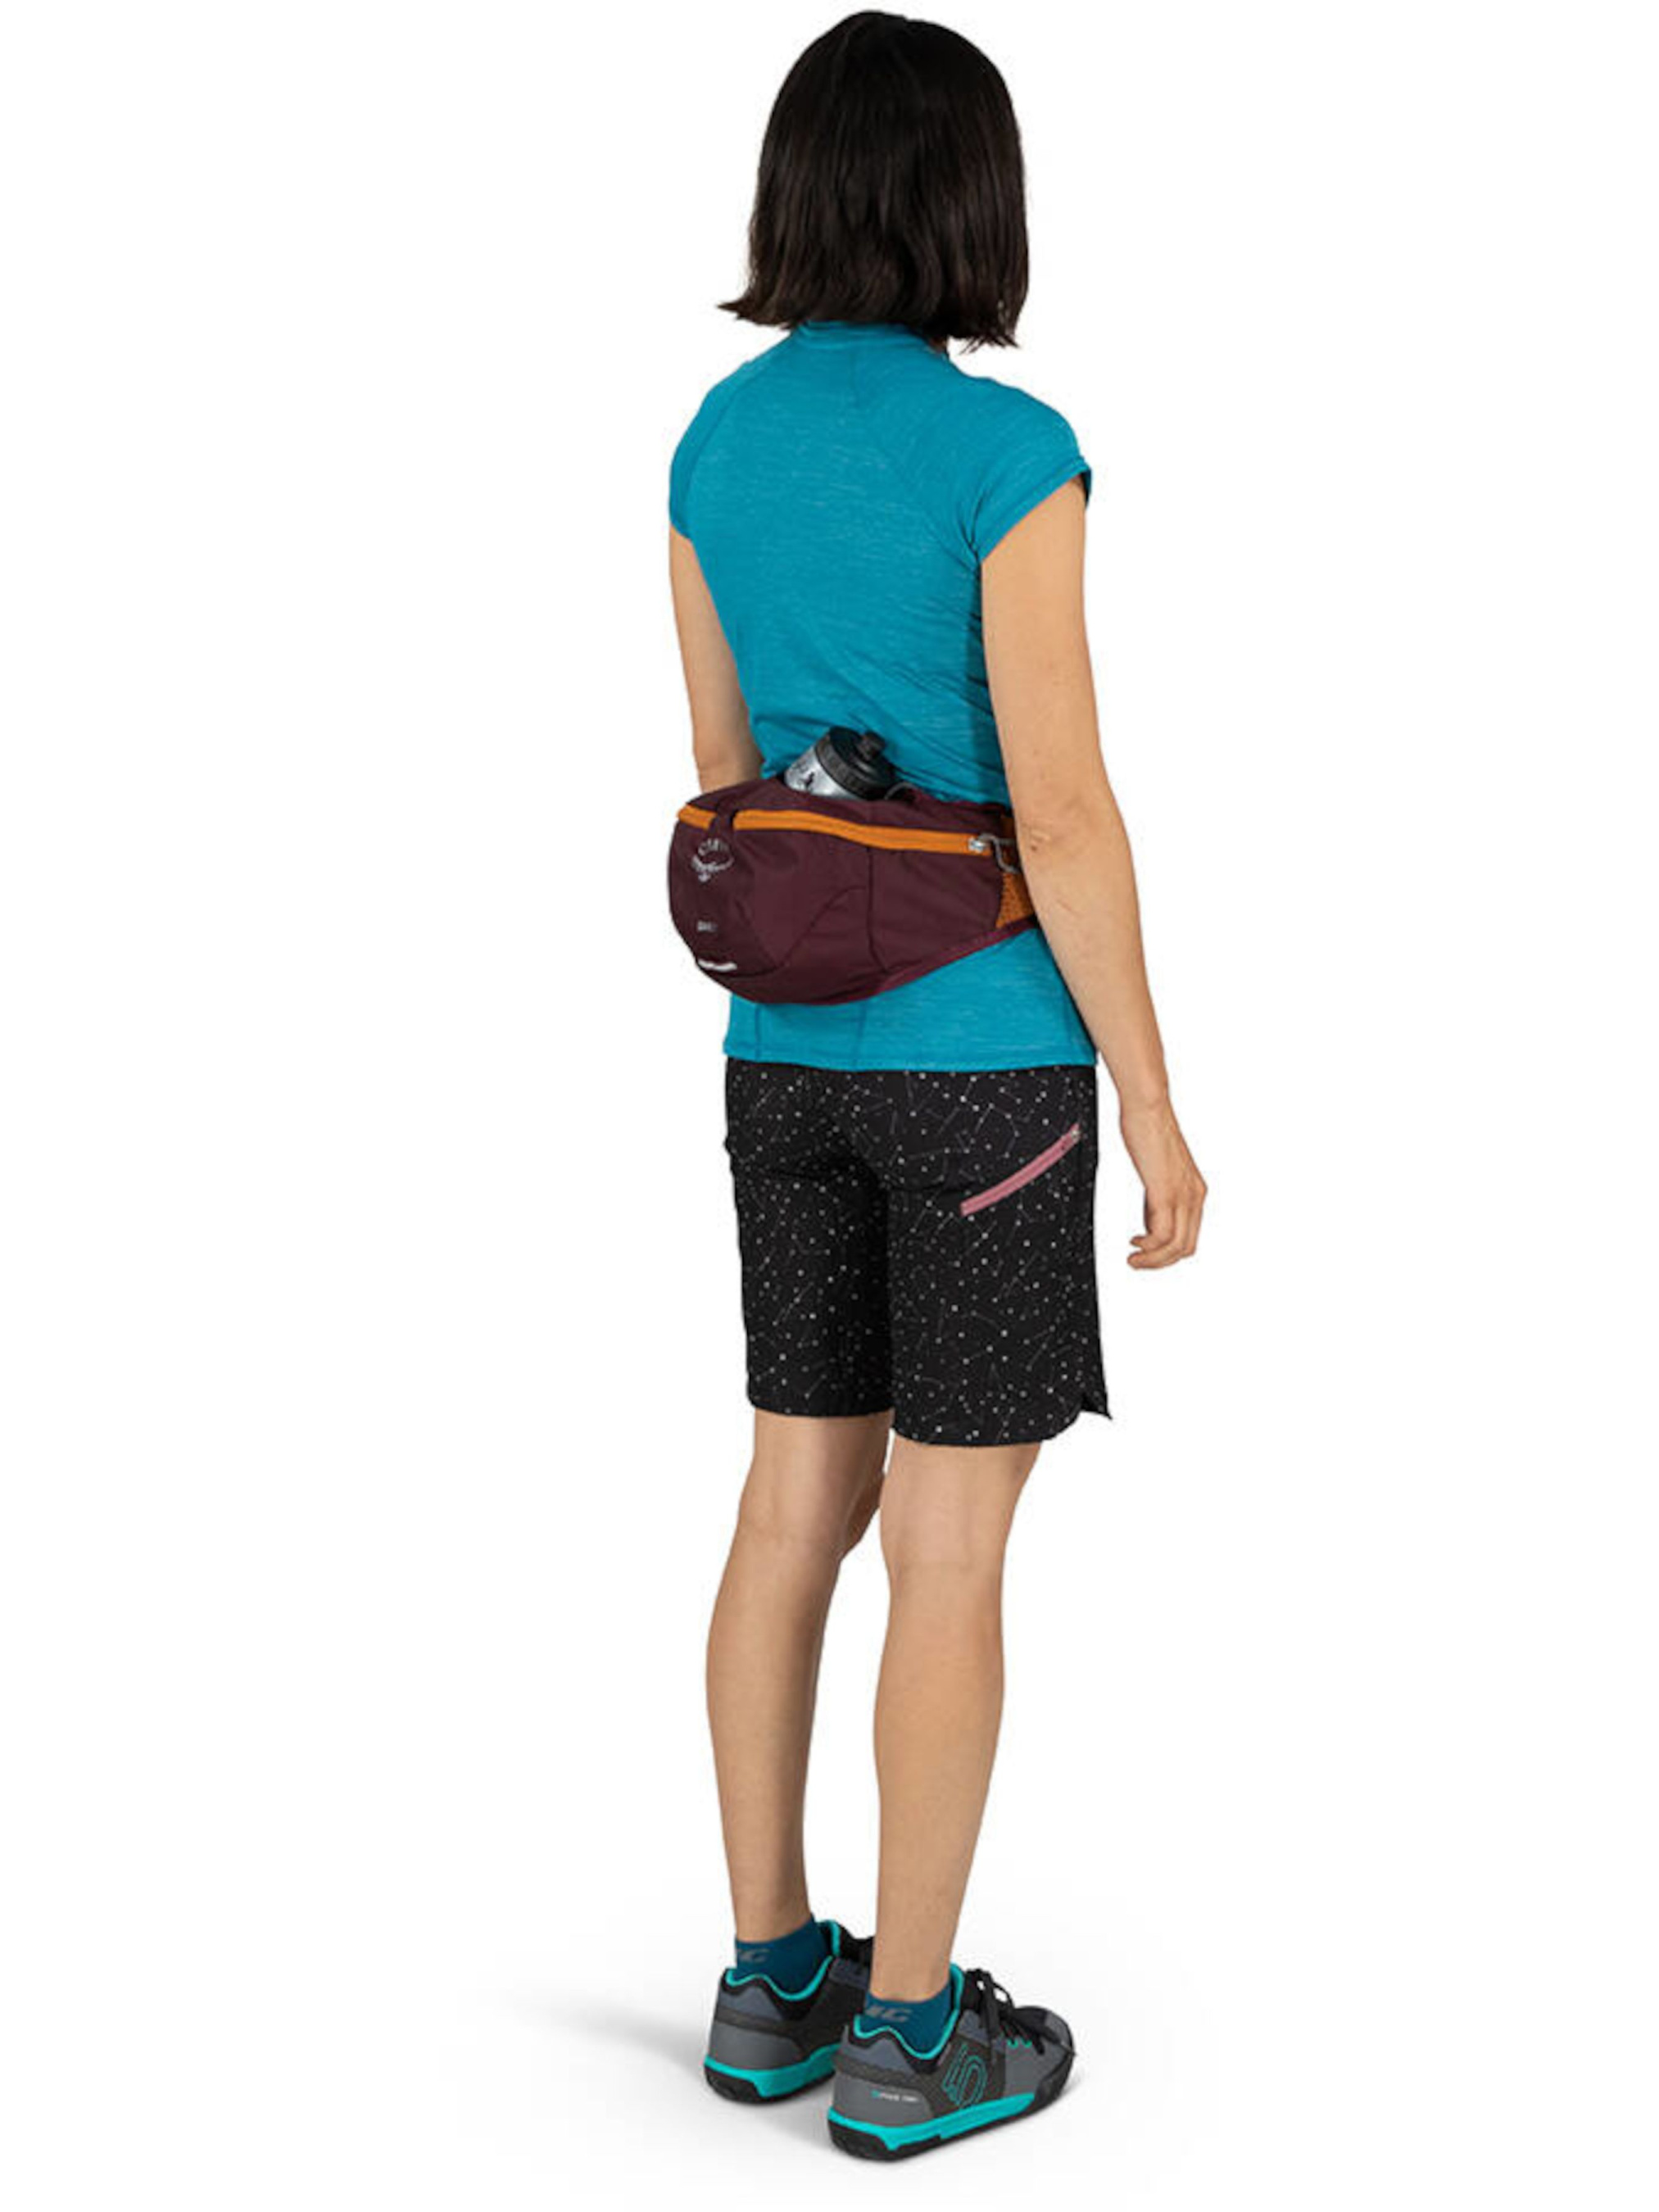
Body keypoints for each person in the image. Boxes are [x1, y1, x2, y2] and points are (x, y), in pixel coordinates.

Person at [667, 13, 1206, 2160]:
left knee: (789, 1502)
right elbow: (1057, 810)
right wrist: (1150, 1100)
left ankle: (769, 1979)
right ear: (972, 203)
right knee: (951, 1553)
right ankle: (910, 2037)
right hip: (985, 1073)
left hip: (779, 1061)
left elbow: (728, 776)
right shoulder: (1012, 450)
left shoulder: (712, 441)